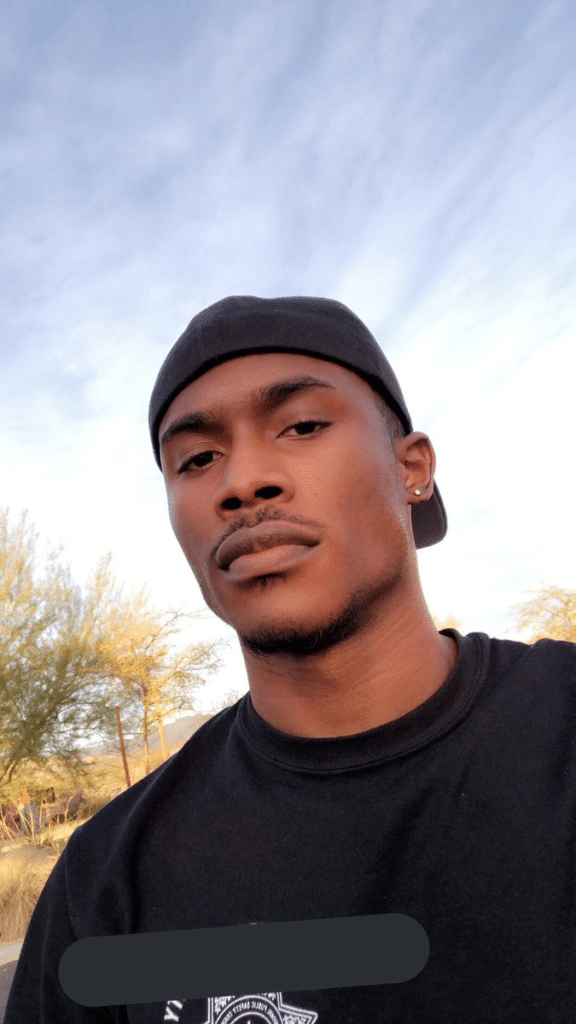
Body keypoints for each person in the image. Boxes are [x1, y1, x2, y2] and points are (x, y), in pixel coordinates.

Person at [5, 295, 576, 1023]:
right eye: (197, 459)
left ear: (412, 468)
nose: (242, 481)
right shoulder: (109, 877)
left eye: (303, 426)